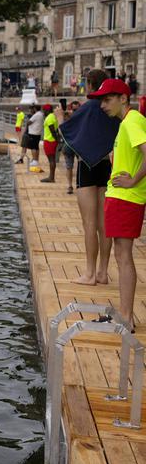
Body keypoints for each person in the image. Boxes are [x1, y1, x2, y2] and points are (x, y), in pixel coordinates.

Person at [99, 78, 144, 331]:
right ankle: (124, 314)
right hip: (120, 197)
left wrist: (133, 180)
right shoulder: (126, 123)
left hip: (127, 198)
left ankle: (126, 317)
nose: (103, 105)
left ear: (123, 99)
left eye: (107, 99)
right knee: (120, 254)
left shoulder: (133, 121)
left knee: (124, 256)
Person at [69, 69, 115, 286]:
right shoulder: (110, 110)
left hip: (87, 166)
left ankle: (89, 274)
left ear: (89, 84)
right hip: (106, 165)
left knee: (89, 223)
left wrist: (62, 117)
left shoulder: (87, 108)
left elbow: (70, 134)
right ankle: (103, 272)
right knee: (104, 224)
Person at [62, 101, 79, 194]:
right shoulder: (67, 118)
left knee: (80, 166)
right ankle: (69, 186)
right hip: (69, 146)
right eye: (73, 110)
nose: (75, 111)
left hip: (78, 146)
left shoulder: (81, 118)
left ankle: (78, 185)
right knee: (69, 167)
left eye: (76, 110)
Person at [41, 104, 60, 183]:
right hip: (51, 140)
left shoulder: (49, 118)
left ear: (47, 110)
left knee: (51, 160)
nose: (43, 112)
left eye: (44, 110)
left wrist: (57, 140)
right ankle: (51, 177)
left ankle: (51, 177)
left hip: (50, 141)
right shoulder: (52, 116)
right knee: (52, 160)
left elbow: (52, 131)